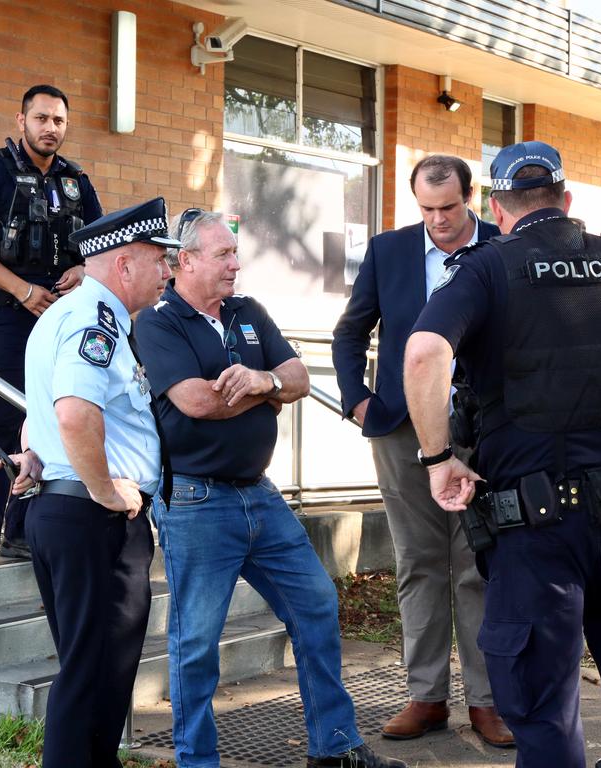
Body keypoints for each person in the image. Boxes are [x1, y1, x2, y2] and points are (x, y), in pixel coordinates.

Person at [403, 141, 601, 768]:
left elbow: (424, 353)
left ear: (496, 207)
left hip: (537, 531)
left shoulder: (486, 269)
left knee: (544, 700)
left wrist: (437, 460)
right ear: (566, 200)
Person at [134, 210, 406, 768]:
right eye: (223, 255)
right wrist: (272, 389)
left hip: (260, 494)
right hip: (196, 501)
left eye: (236, 253)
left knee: (316, 603)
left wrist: (265, 380)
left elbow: (300, 378)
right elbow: (198, 402)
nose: (236, 264)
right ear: (185, 261)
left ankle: (333, 749)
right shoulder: (158, 322)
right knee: (197, 644)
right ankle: (197, 761)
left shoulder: (247, 312)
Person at [332, 155, 511, 746]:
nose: (438, 220)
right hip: (403, 426)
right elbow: (352, 329)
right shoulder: (388, 251)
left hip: (487, 429)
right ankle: (427, 697)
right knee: (418, 561)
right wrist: (357, 399)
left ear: (474, 199)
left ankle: (488, 702)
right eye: (427, 209)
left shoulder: (503, 247)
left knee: (478, 565)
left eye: (449, 208)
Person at [17, 197, 176, 768]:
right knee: (90, 676)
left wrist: (34, 453)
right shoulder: (94, 318)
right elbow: (75, 412)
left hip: (69, 509)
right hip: (94, 516)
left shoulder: (65, 315)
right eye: (160, 259)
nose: (168, 271)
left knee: (99, 673)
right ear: (125, 265)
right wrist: (108, 491)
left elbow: (37, 410)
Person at [0, 83, 102, 570]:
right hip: (9, 315)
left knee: (47, 423)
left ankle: (19, 533)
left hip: (62, 318)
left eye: (58, 120)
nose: (50, 128)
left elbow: (100, 245)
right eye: (41, 119)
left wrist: (84, 270)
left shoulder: (76, 181)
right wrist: (20, 289)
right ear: (22, 122)